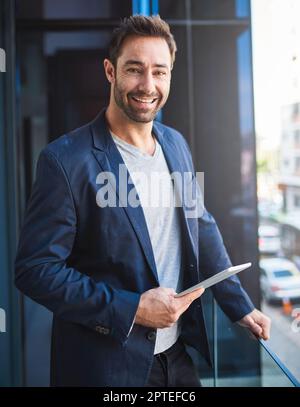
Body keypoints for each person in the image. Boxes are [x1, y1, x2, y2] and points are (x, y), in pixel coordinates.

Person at [15, 15, 271, 387]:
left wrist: (239, 305)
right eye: (134, 69)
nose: (147, 85)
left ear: (170, 75)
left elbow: (200, 226)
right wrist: (132, 309)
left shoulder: (175, 145)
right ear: (110, 71)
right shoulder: (65, 161)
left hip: (176, 357)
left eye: (159, 72)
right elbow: (35, 270)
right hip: (107, 367)